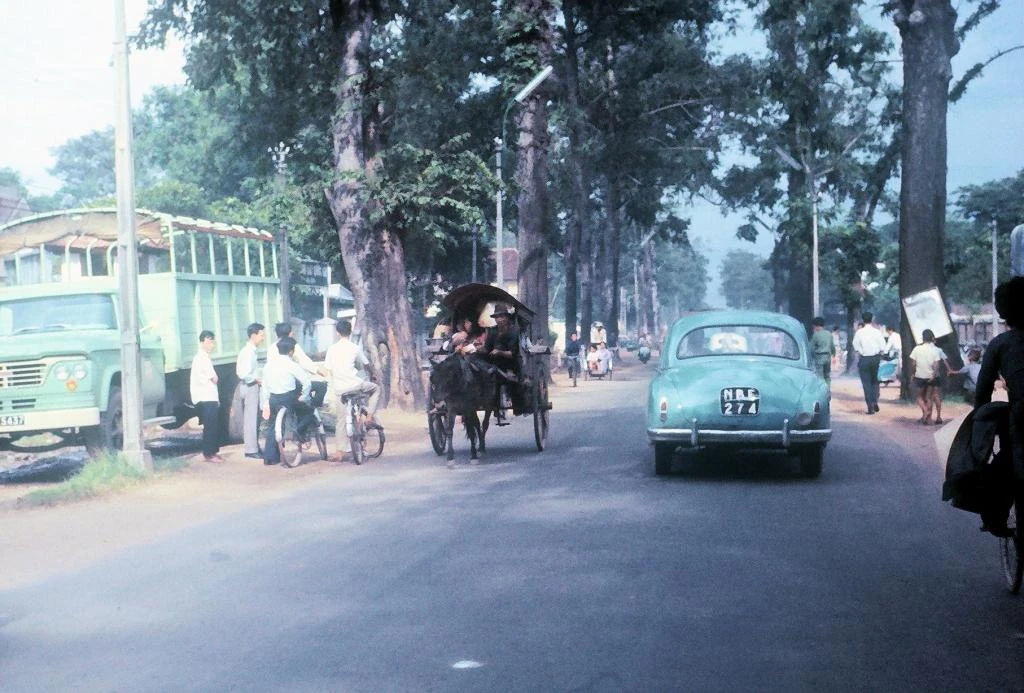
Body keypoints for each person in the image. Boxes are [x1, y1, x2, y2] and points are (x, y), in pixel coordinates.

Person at [976, 277, 1024, 490]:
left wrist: (977, 428)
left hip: (1021, 415)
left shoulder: (1001, 344)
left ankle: (996, 519)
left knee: (1011, 471)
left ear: (1003, 313)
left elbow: (983, 390)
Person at [325, 319, 381, 460]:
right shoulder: (354, 347)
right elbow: (366, 364)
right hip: (355, 385)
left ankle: (339, 451)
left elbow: (329, 370)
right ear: (350, 332)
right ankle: (368, 417)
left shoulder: (331, 349)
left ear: (337, 332)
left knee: (341, 419)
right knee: (375, 389)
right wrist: (373, 375)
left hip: (340, 389)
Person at [260, 337, 313, 466]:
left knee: (273, 426)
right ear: (291, 351)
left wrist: (265, 402)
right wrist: (304, 396)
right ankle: (298, 431)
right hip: (288, 398)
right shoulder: (291, 364)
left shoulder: (268, 365)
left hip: (273, 399)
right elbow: (306, 382)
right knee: (308, 413)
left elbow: (265, 386)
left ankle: (269, 458)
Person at [268, 321, 327, 408]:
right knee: (321, 386)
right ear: (290, 333)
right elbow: (304, 361)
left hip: (275, 388)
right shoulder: (292, 345)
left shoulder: (271, 348)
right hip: (290, 386)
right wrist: (319, 371)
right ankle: (314, 409)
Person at [190, 330, 222, 462]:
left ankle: (212, 452)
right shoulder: (201, 358)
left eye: (212, 342)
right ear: (202, 342)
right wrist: (215, 377)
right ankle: (209, 454)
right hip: (206, 396)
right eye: (209, 342)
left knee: (212, 425)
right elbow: (214, 378)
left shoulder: (203, 357)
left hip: (209, 396)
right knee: (210, 426)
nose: (211, 345)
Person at [234, 322, 265, 459]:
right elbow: (243, 373)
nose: (263, 338)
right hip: (250, 386)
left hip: (252, 385)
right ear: (253, 335)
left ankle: (254, 446)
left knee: (254, 418)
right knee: (251, 419)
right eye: (261, 335)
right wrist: (257, 379)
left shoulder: (251, 351)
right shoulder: (248, 352)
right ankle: (251, 449)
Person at [908, 328, 951, 424]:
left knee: (918, 396)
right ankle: (929, 418)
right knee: (929, 397)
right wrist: (933, 374)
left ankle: (925, 411)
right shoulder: (935, 350)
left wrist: (912, 374)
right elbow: (936, 364)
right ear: (932, 338)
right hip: (931, 377)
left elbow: (913, 364)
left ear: (922, 338)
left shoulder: (917, 349)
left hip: (920, 376)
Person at [852, 312, 886, 415]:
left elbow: (855, 346)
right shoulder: (877, 332)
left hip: (864, 359)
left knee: (866, 383)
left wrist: (861, 351)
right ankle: (875, 400)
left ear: (863, 319)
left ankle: (870, 406)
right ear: (872, 319)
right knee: (875, 381)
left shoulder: (859, 332)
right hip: (875, 358)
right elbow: (882, 346)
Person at [808, 316, 835, 382]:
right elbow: (832, 346)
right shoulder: (829, 334)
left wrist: (811, 357)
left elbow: (811, 348)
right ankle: (827, 389)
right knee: (827, 375)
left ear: (815, 326)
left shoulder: (816, 335)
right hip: (828, 358)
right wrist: (833, 355)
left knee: (819, 376)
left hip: (819, 357)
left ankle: (821, 390)